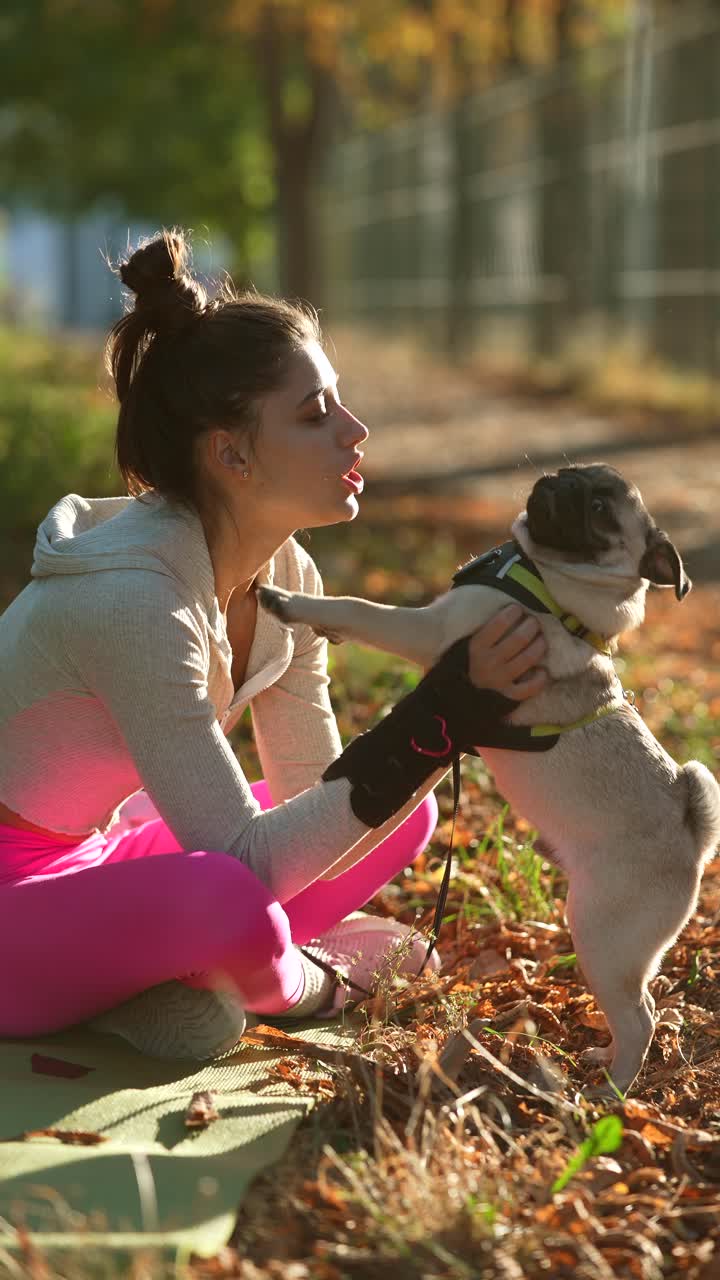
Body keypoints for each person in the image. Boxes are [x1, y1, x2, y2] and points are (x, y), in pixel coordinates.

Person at [0, 230, 547, 1060]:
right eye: (315, 414)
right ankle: (300, 981)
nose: (356, 430)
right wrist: (438, 716)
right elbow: (246, 868)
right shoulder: (134, 602)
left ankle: (152, 983)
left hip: (97, 851)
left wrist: (438, 724)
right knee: (229, 897)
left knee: (404, 809)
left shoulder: (287, 574)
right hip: (11, 893)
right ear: (232, 454)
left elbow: (311, 792)